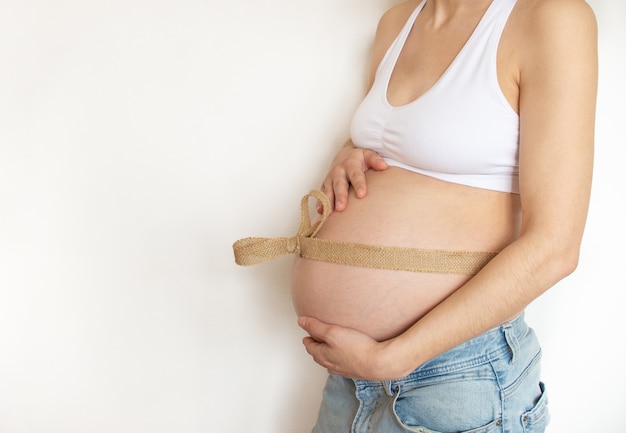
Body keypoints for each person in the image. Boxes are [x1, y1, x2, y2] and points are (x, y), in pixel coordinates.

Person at [236, 0, 597, 431]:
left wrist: (397, 356)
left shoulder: (550, 16)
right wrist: (350, 157)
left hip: (457, 375)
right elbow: (408, 149)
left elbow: (554, 248)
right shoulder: (396, 22)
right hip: (350, 380)